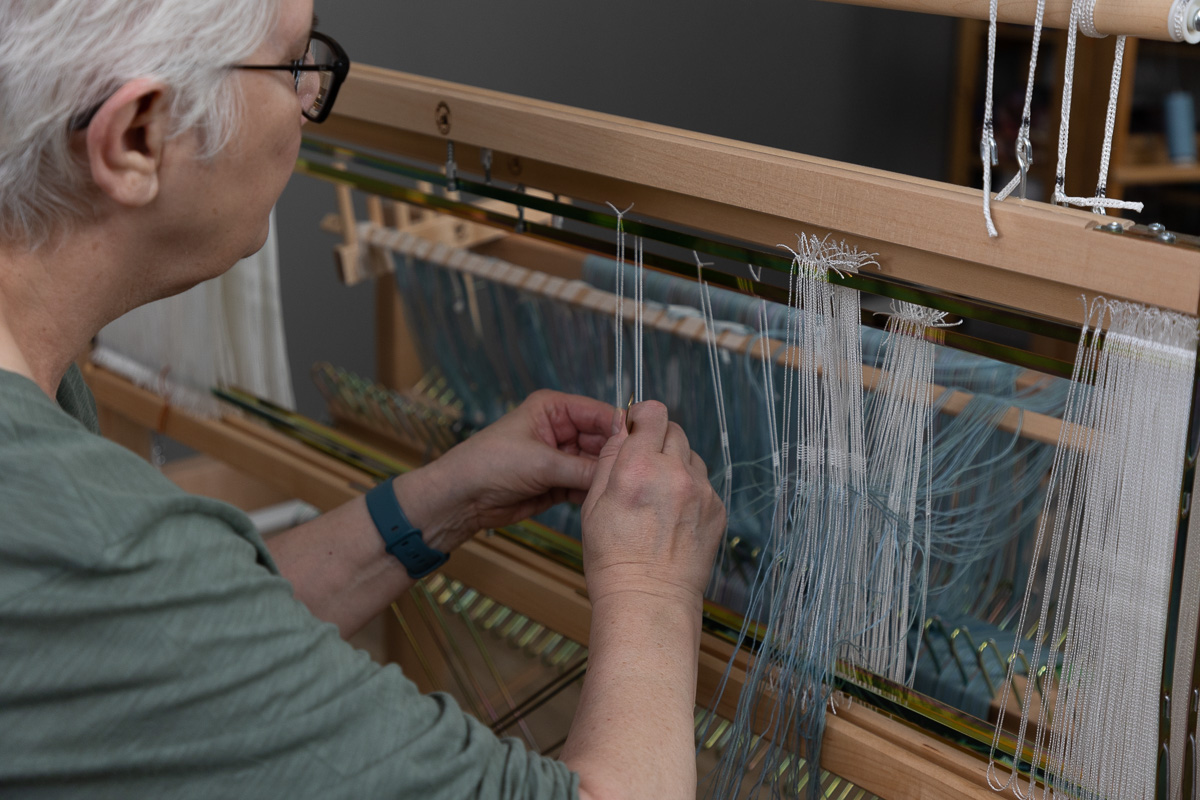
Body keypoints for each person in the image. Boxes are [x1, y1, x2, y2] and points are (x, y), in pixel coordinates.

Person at [0, 1, 726, 799]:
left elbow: (158, 650)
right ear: (138, 134)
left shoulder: (48, 444)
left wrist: (443, 501)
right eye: (292, 66)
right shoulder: (84, 543)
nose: (310, 99)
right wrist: (653, 589)